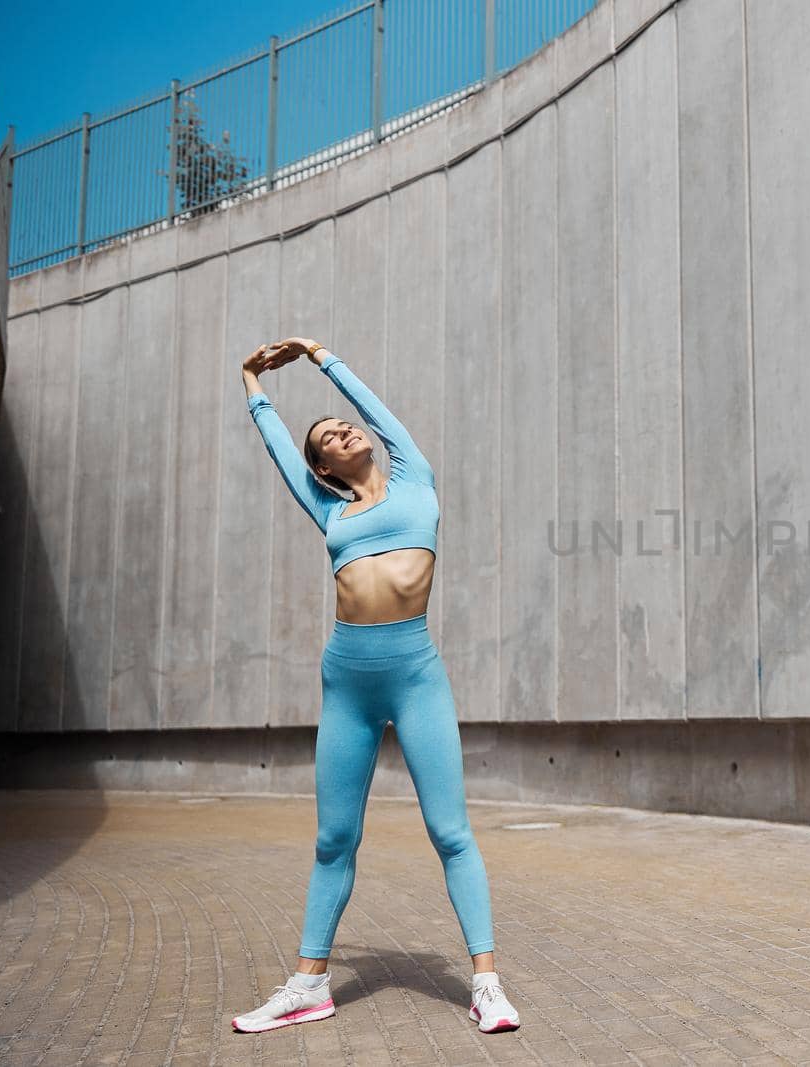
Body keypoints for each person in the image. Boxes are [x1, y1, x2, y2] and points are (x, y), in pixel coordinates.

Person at [230, 336, 518, 1035]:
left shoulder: (415, 476)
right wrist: (251, 382)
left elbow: (377, 409)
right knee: (334, 838)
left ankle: (486, 983)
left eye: (344, 423)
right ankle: (310, 982)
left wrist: (318, 354)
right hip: (347, 683)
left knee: (450, 830)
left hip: (415, 675)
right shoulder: (329, 510)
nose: (345, 428)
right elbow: (275, 446)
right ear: (324, 465)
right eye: (329, 435)